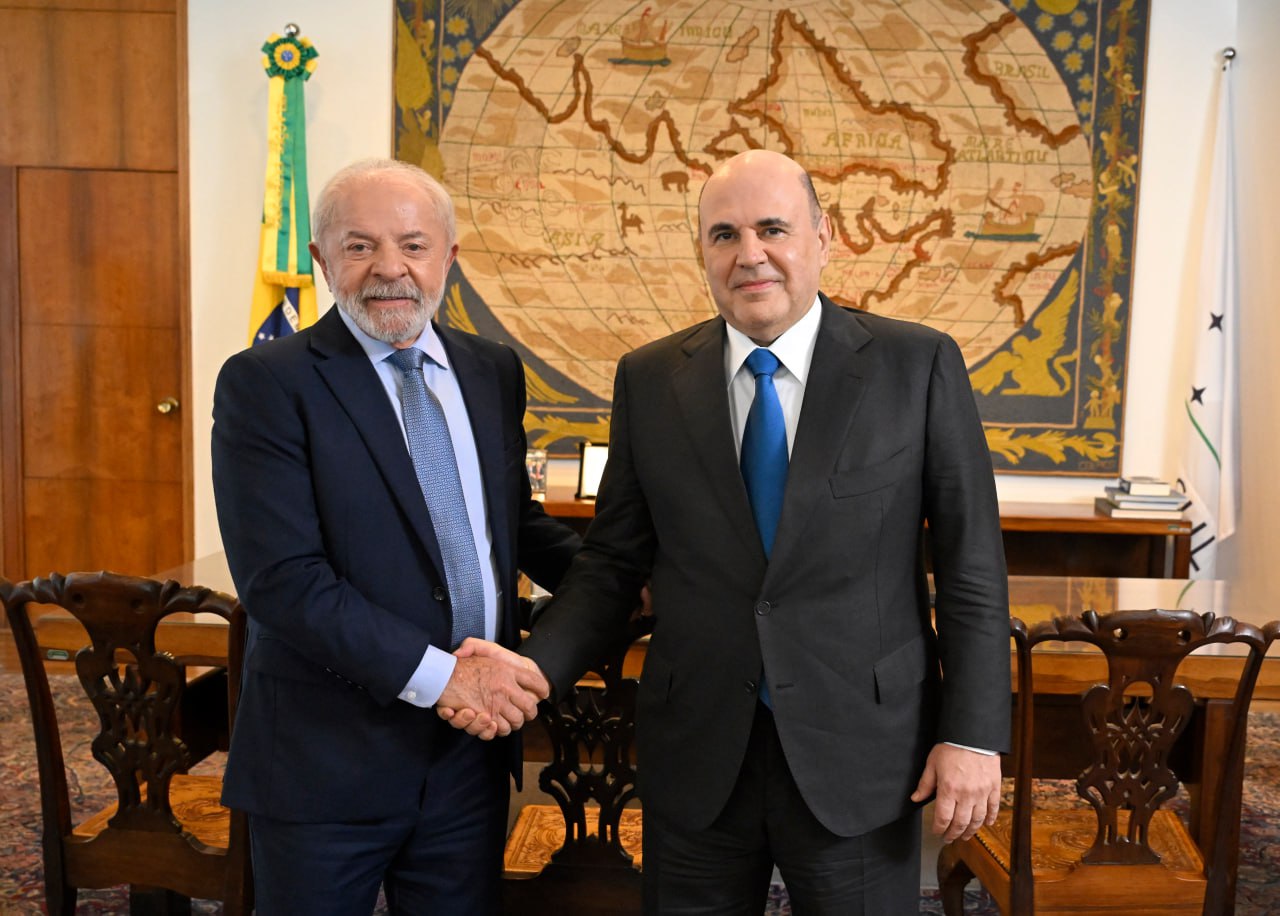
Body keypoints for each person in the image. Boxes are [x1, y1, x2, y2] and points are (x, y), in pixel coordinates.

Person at [456, 149, 1011, 913]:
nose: (750, 254)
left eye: (773, 229)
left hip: (860, 750)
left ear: (823, 237)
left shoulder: (916, 365)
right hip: (698, 751)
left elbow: (971, 566)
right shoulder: (650, 379)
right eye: (724, 234)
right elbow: (612, 563)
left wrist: (972, 736)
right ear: (703, 253)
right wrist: (533, 668)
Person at [211, 157, 579, 915]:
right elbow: (285, 583)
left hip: (467, 761)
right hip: (325, 762)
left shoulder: (491, 370)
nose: (389, 268)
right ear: (321, 259)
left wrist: (631, 578)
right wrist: (449, 680)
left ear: (448, 256)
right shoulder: (267, 383)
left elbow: (511, 523)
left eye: (413, 245)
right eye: (360, 246)